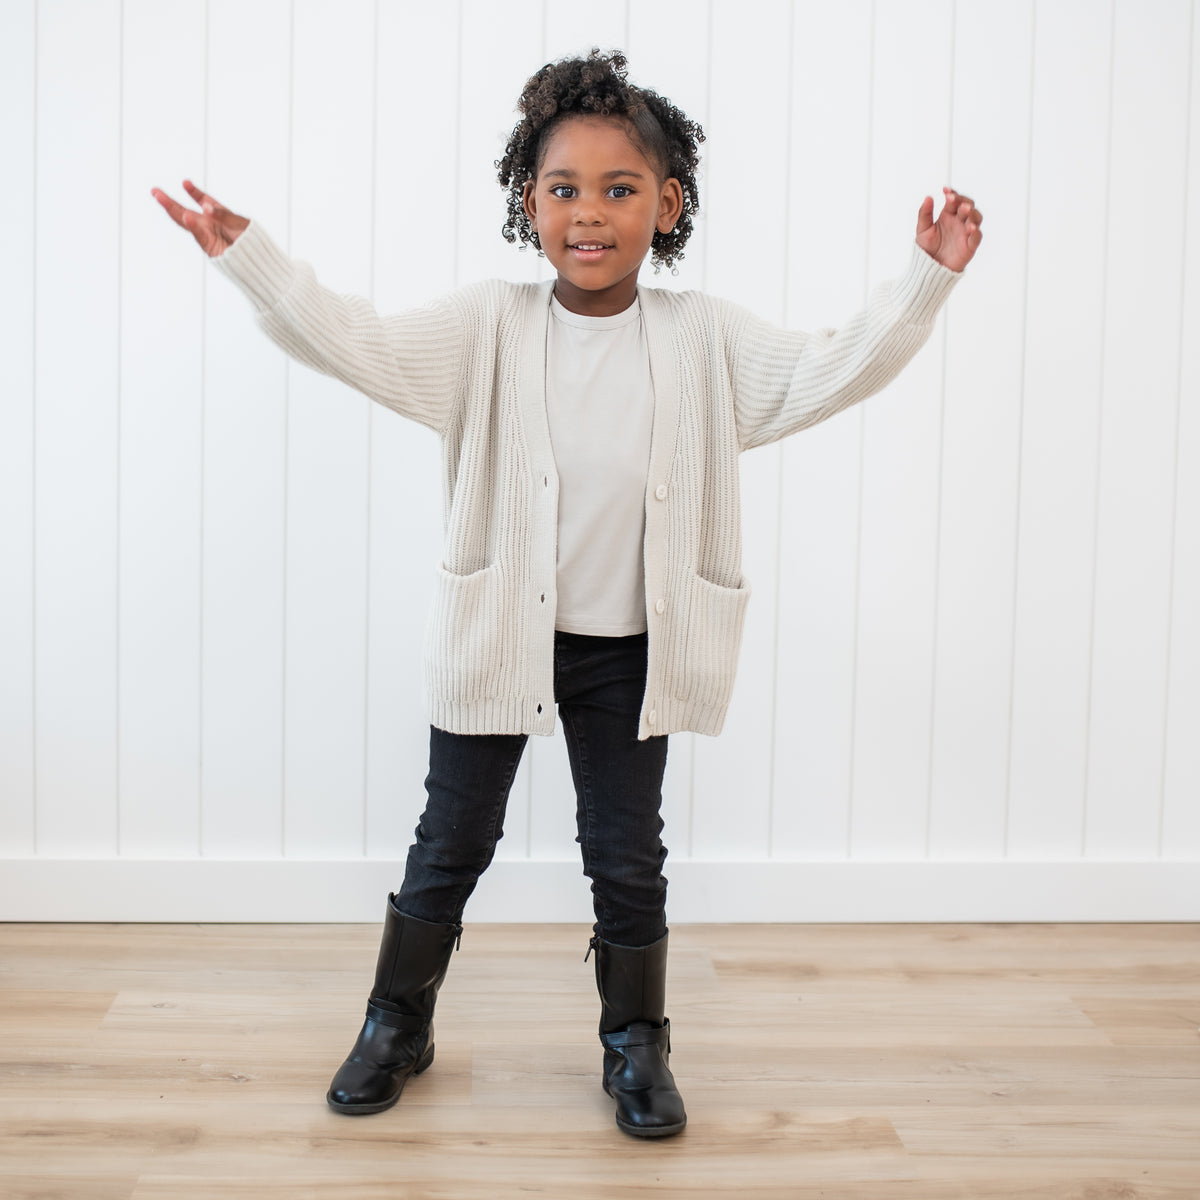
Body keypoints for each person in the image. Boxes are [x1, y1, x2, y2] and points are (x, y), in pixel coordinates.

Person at [152, 49, 982, 1139]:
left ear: (666, 205)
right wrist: (253, 261)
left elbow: (831, 367)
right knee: (451, 838)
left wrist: (925, 281)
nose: (589, 212)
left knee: (626, 855)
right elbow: (354, 341)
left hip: (632, 653)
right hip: (500, 635)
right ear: (528, 202)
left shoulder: (705, 339)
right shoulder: (485, 329)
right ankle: (397, 1022)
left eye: (619, 189)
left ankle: (636, 1042)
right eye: (563, 189)